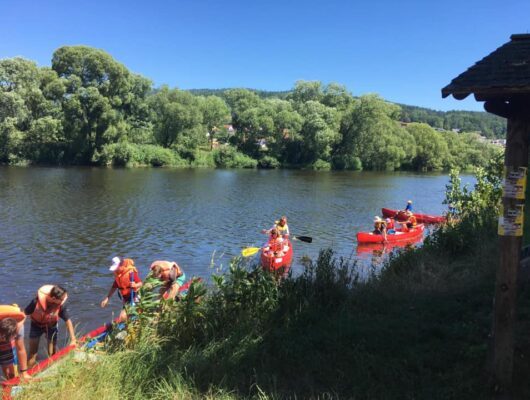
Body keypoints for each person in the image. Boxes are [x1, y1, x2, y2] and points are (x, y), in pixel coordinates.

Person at [24, 285, 76, 368]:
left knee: (52, 353)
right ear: (54, 299)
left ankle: (51, 368)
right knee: (32, 354)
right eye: (62, 299)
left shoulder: (61, 306)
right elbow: (25, 313)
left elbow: (68, 321)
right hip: (36, 326)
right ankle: (26, 374)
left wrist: (73, 339)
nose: (63, 301)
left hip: (51, 326)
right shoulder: (36, 302)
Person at [101, 257, 143, 322]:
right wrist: (107, 298)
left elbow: (140, 283)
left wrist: (135, 285)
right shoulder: (118, 275)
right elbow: (114, 287)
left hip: (134, 297)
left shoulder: (130, 273)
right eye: (114, 269)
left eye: (116, 268)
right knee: (124, 317)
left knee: (123, 316)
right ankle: (129, 325)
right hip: (126, 299)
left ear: (122, 265)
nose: (115, 270)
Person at [0, 305, 30, 380]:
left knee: (9, 367)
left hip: (11, 329)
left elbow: (21, 349)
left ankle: (10, 380)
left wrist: (24, 372)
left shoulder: (18, 328)